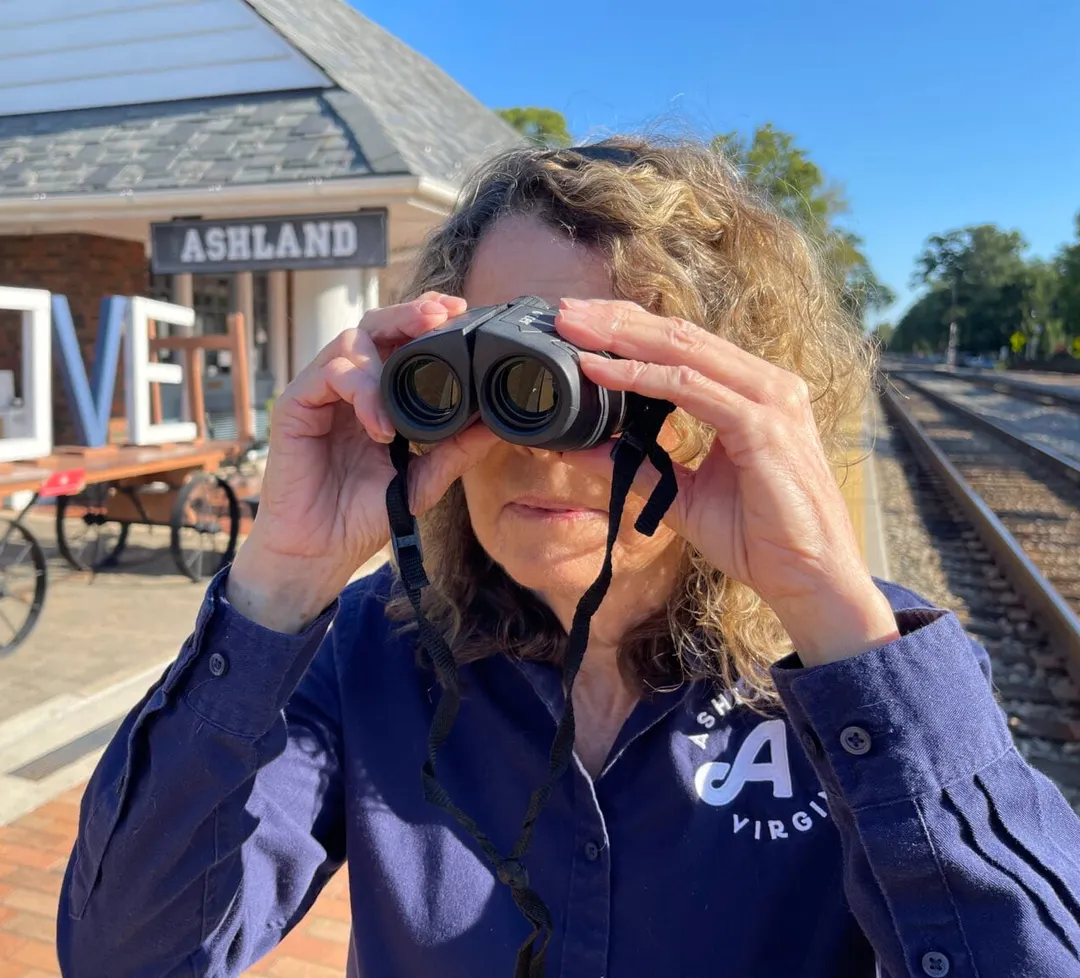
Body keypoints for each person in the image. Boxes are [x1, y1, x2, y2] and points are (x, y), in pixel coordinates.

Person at [57, 137, 1080, 978]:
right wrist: (277, 581)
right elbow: (127, 960)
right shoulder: (370, 649)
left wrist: (828, 607)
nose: (538, 441)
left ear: (718, 402)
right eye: (501, 372)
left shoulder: (865, 676)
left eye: (608, 380)